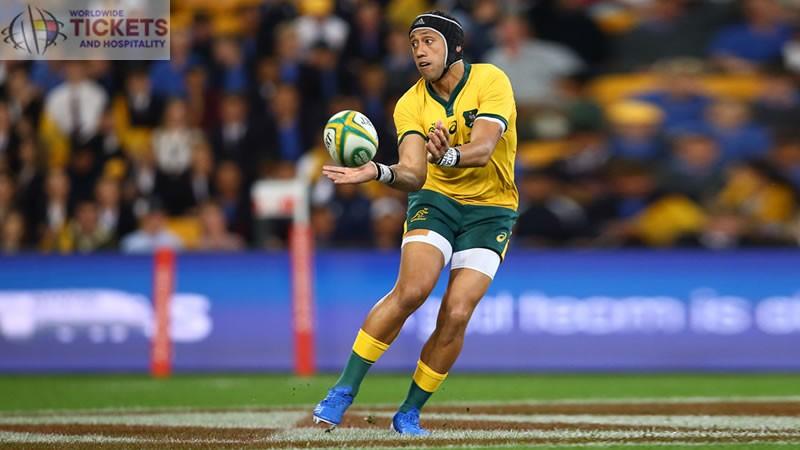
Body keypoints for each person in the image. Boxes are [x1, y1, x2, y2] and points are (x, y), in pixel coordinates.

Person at [312, 11, 518, 435]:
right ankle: (342, 390)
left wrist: (448, 155)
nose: (420, 51)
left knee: (457, 312)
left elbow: (482, 149)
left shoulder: (490, 79)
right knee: (412, 290)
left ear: (454, 47)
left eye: (428, 41)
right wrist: (378, 171)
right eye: (414, 44)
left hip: (492, 209)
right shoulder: (410, 103)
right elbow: (412, 173)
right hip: (436, 200)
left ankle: (408, 411)